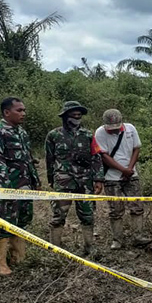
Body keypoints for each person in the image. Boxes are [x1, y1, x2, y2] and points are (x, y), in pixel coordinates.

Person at [0, 97, 41, 275]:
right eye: (19, 110)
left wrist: (36, 183)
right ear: (6, 112)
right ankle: (1, 264)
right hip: (8, 188)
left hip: (25, 186)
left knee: (22, 221)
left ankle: (18, 258)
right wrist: (5, 191)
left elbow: (28, 160)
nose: (23, 113)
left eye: (24, 110)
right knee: (3, 223)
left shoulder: (22, 133)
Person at [45, 101, 104, 255]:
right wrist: (51, 180)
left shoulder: (88, 135)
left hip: (85, 182)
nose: (77, 118)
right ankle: (55, 250)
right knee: (58, 215)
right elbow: (49, 159)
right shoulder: (54, 135)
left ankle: (89, 247)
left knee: (88, 215)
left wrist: (98, 179)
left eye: (79, 115)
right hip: (63, 182)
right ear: (65, 116)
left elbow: (96, 157)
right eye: (73, 115)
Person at [94, 109, 150, 249]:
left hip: (131, 174)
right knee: (115, 209)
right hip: (111, 177)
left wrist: (129, 169)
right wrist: (122, 170)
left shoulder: (130, 129)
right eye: (110, 129)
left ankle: (138, 236)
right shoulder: (100, 133)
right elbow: (104, 156)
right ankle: (117, 240)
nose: (113, 131)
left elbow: (136, 149)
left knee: (137, 206)